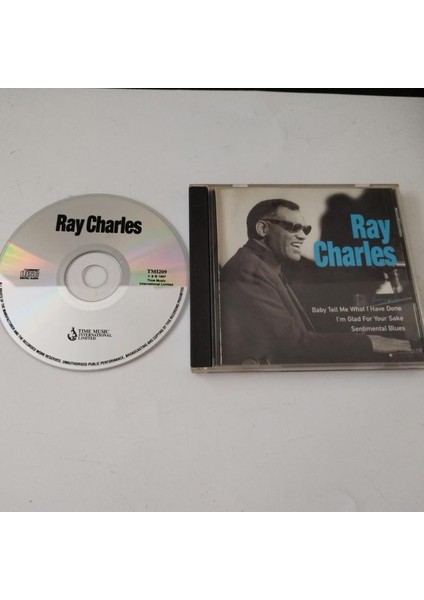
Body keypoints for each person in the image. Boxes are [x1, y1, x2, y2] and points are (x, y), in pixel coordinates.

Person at [219, 198, 411, 365]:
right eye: (293, 227)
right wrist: (368, 342)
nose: (302, 235)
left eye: (306, 229)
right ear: (263, 228)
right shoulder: (249, 270)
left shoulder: (263, 266)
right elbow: (291, 345)